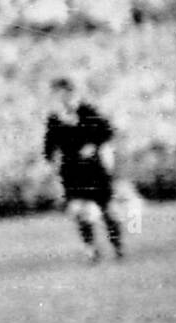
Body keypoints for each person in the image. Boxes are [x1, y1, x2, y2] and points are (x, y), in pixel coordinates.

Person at [44, 78, 122, 263]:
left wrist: (94, 146)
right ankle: (90, 249)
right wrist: (53, 164)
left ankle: (117, 246)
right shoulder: (54, 119)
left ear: (69, 92)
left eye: (62, 92)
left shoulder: (87, 112)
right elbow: (49, 147)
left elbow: (106, 133)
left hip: (94, 170)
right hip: (71, 172)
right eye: (56, 94)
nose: (60, 97)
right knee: (80, 211)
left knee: (106, 209)